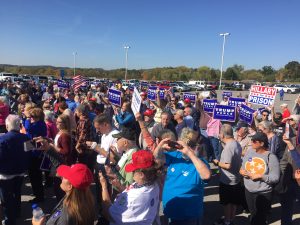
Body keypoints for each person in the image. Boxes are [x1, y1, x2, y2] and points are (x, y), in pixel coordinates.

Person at [154, 128, 211, 224]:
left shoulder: (200, 163)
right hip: (170, 212)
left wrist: (190, 153)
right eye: (184, 144)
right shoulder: (174, 156)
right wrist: (160, 145)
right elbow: (155, 162)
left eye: (191, 145)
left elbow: (206, 175)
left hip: (189, 215)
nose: (186, 148)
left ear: (197, 147)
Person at [99, 150, 160, 225]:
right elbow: (132, 191)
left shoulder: (135, 197)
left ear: (141, 174)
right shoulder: (153, 184)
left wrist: (104, 186)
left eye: (134, 171)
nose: (132, 173)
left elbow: (108, 214)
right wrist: (119, 186)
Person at [240, 132, 280, 225]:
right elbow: (243, 167)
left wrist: (261, 176)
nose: (251, 143)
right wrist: (241, 171)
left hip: (263, 192)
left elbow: (275, 177)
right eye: (251, 140)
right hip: (249, 190)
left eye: (254, 141)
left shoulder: (271, 157)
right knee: (253, 214)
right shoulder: (249, 152)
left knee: (260, 217)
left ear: (261, 143)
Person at [0, 115, 30, 225]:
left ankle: (10, 220)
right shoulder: (25, 137)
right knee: (17, 193)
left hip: (6, 174)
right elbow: (29, 154)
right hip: (21, 171)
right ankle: (17, 212)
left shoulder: (2, 139)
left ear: (7, 125)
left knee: (7, 199)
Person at [213, 124, 242, 225]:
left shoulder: (228, 148)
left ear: (223, 135)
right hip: (236, 178)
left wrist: (217, 162)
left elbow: (227, 165)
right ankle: (231, 218)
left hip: (228, 180)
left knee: (226, 203)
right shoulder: (236, 143)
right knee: (233, 202)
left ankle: (227, 221)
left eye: (220, 133)